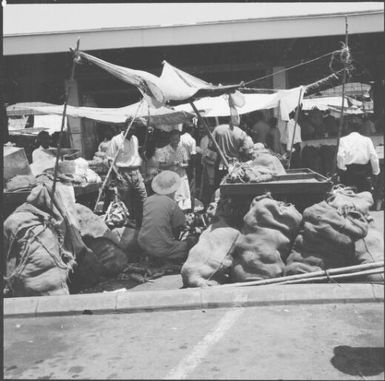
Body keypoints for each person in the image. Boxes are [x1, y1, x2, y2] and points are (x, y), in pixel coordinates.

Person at [138, 171, 190, 263]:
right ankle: (164, 257)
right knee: (190, 244)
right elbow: (180, 225)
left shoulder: (147, 200)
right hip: (161, 249)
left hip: (143, 244)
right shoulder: (172, 204)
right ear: (173, 189)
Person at [106, 120, 147, 228]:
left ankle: (142, 222)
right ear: (124, 128)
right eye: (130, 129)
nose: (132, 132)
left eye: (134, 130)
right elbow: (110, 160)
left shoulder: (135, 139)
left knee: (143, 198)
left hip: (136, 172)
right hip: (123, 173)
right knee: (125, 202)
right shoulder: (116, 140)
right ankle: (126, 226)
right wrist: (117, 174)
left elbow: (135, 156)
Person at [337, 121, 380, 192]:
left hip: (348, 173)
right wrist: (375, 172)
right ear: (360, 128)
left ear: (348, 128)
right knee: (364, 197)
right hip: (364, 173)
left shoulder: (343, 140)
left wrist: (343, 169)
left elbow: (340, 156)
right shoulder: (367, 140)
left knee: (348, 196)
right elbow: (374, 157)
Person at [155, 129, 191, 210]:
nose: (176, 141)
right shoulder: (164, 150)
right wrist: (171, 164)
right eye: (174, 139)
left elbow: (187, 164)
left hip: (181, 176)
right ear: (170, 139)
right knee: (171, 199)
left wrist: (182, 165)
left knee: (182, 199)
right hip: (170, 178)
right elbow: (160, 166)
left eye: (177, 139)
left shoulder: (182, 149)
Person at [212, 114, 251, 187]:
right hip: (235, 165)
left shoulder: (217, 129)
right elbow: (246, 151)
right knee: (234, 187)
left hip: (220, 163)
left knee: (219, 186)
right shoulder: (241, 133)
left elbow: (211, 146)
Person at [198, 124, 217, 208]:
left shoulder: (216, 140)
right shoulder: (205, 140)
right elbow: (204, 156)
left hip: (215, 167)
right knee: (208, 186)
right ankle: (207, 203)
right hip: (208, 167)